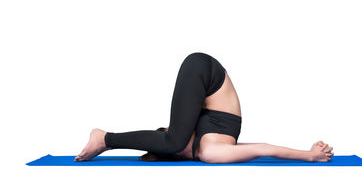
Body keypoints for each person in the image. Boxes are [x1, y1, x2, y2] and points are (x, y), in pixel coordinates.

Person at [75, 52, 334, 163]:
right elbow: (262, 149)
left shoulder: (209, 149)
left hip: (204, 74)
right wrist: (307, 154)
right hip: (208, 78)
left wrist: (310, 154)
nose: (172, 133)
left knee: (173, 139)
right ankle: (105, 139)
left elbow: (261, 149)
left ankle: (106, 138)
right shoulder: (213, 151)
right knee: (173, 139)